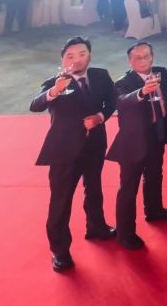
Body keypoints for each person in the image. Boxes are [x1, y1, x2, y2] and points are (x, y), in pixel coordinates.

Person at [31, 36, 116, 272]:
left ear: (89, 55)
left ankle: (96, 227)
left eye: (82, 54)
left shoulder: (101, 76)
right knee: (61, 201)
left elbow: (112, 102)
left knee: (94, 188)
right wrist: (54, 91)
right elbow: (35, 105)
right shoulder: (55, 83)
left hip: (95, 145)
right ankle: (60, 251)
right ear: (62, 59)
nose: (76, 60)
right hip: (64, 151)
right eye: (70, 56)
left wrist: (100, 117)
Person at [106, 41, 167, 251]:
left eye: (147, 56)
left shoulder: (161, 73)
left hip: (157, 133)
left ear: (152, 56)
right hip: (134, 141)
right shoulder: (123, 82)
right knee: (129, 187)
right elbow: (121, 101)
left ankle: (154, 210)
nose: (144, 61)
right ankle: (125, 233)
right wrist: (142, 92)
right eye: (138, 58)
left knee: (155, 175)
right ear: (130, 61)